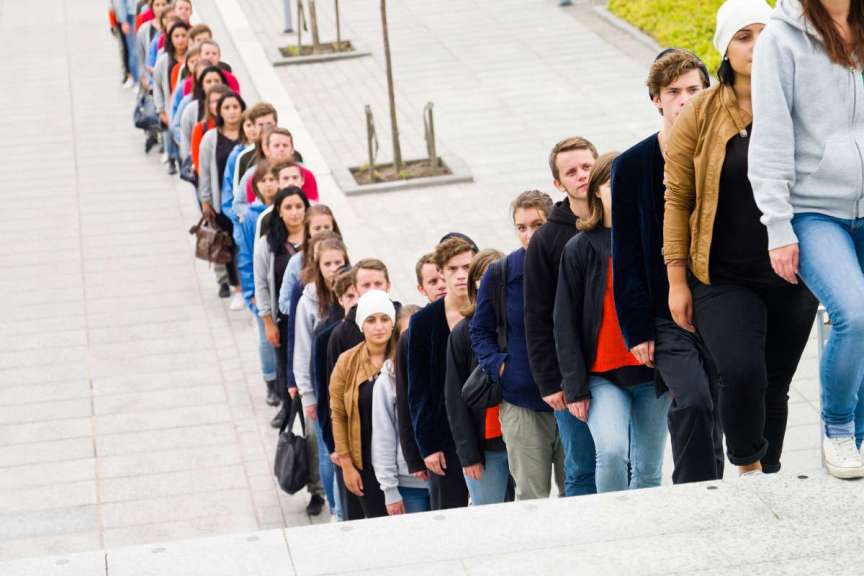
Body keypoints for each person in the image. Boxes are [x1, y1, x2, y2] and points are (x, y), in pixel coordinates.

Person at [665, 0, 819, 477]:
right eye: (744, 37)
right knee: (741, 371)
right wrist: (677, 281)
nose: (756, 46)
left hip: (792, 269)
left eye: (765, 33)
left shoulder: (802, 101)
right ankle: (748, 465)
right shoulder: (702, 113)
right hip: (722, 275)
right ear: (725, 49)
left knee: (775, 383)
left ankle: (767, 475)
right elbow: (678, 199)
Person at [748, 0, 864, 477]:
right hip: (815, 210)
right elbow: (771, 137)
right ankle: (838, 427)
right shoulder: (781, 37)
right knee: (855, 314)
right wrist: (777, 227)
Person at [610, 49, 722, 484]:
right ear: (657, 99)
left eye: (694, 89)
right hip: (663, 313)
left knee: (716, 406)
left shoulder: (723, 151)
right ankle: (694, 491)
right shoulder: (633, 165)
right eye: (673, 91)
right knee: (693, 399)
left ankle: (714, 492)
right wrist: (635, 328)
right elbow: (627, 251)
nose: (685, 99)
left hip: (719, 300)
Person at [556, 153, 671, 493]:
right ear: (596, 193)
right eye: (611, 183)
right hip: (603, 377)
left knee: (649, 469)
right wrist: (574, 387)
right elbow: (564, 323)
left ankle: (642, 536)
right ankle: (615, 527)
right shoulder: (579, 249)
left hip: (651, 375)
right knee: (611, 451)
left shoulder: (651, 240)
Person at [471, 190, 565, 500]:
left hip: (575, 397)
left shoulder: (571, 258)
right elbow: (480, 331)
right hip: (522, 402)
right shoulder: (501, 272)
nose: (528, 234)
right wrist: (500, 367)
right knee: (531, 499)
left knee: (581, 493)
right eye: (521, 227)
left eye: (537, 224)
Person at [523, 137, 598, 497]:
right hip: (570, 373)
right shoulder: (547, 239)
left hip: (619, 363)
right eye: (571, 171)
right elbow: (536, 317)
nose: (582, 176)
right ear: (558, 183)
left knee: (625, 458)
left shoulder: (618, 216)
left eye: (587, 166)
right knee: (581, 465)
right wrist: (550, 382)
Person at [407, 236, 478, 510]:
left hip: (487, 429)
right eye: (452, 269)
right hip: (443, 435)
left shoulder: (487, 307)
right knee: (449, 510)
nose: (461, 275)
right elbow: (418, 387)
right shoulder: (423, 321)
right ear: (441, 272)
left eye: (467, 267)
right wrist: (428, 445)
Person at [444, 249, 510, 505]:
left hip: (523, 436)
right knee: (489, 515)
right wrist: (468, 455)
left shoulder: (521, 322)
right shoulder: (462, 333)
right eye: (482, 275)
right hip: (485, 445)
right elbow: (454, 397)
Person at [331, 290, 399, 518]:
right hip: (363, 459)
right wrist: (347, 465)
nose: (379, 326)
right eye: (371, 320)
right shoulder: (346, 362)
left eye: (384, 319)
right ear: (361, 325)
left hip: (398, 458)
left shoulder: (403, 355)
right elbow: (339, 415)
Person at [372, 304, 431, 515]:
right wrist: (389, 490)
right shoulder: (387, 382)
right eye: (407, 334)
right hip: (409, 484)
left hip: (447, 477)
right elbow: (383, 438)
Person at [234, 161, 280, 407]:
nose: (270, 184)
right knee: (266, 338)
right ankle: (270, 381)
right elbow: (245, 255)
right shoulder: (251, 216)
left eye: (274, 179)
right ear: (256, 186)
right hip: (262, 285)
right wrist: (250, 290)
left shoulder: (287, 207)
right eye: (264, 180)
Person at [198, 91, 247, 304]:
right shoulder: (211, 138)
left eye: (235, 107)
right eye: (226, 108)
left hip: (246, 202)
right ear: (219, 111)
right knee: (227, 247)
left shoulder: (248, 135)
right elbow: (205, 171)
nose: (232, 112)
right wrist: (206, 200)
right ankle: (237, 289)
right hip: (222, 204)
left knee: (245, 248)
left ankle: (250, 289)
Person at [154, 20, 188, 175]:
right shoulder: (164, 60)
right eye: (176, 36)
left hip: (186, 105)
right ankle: (172, 159)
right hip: (169, 105)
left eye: (183, 35)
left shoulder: (191, 59)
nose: (180, 39)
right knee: (170, 133)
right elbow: (158, 86)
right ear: (170, 38)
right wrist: (160, 109)